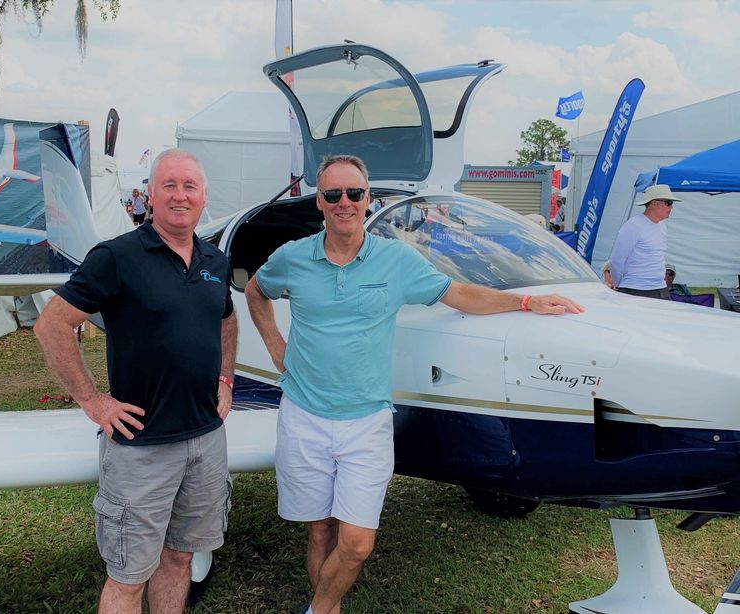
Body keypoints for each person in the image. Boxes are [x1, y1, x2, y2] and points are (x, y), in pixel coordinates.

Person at [244, 154, 584, 614]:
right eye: (332, 195)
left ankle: (320, 609)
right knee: (320, 529)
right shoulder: (293, 258)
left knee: (358, 542)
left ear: (368, 200)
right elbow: (256, 291)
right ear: (320, 204)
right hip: (303, 415)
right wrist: (274, 345)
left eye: (355, 194)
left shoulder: (396, 259)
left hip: (366, 421)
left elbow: (458, 293)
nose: (345, 202)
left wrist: (525, 301)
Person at [34, 149, 237, 614]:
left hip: (205, 440)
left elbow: (226, 318)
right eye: (169, 185)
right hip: (141, 447)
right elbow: (52, 325)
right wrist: (93, 401)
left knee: (180, 557)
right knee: (128, 577)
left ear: (204, 196)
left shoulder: (214, 260)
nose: (180, 195)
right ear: (149, 193)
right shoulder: (117, 256)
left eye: (190, 186)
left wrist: (225, 379)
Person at [608, 184, 680, 300]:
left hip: (660, 288)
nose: (671, 207)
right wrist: (617, 283)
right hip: (635, 289)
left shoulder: (662, 226)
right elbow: (617, 259)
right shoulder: (633, 226)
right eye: (668, 202)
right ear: (654, 203)